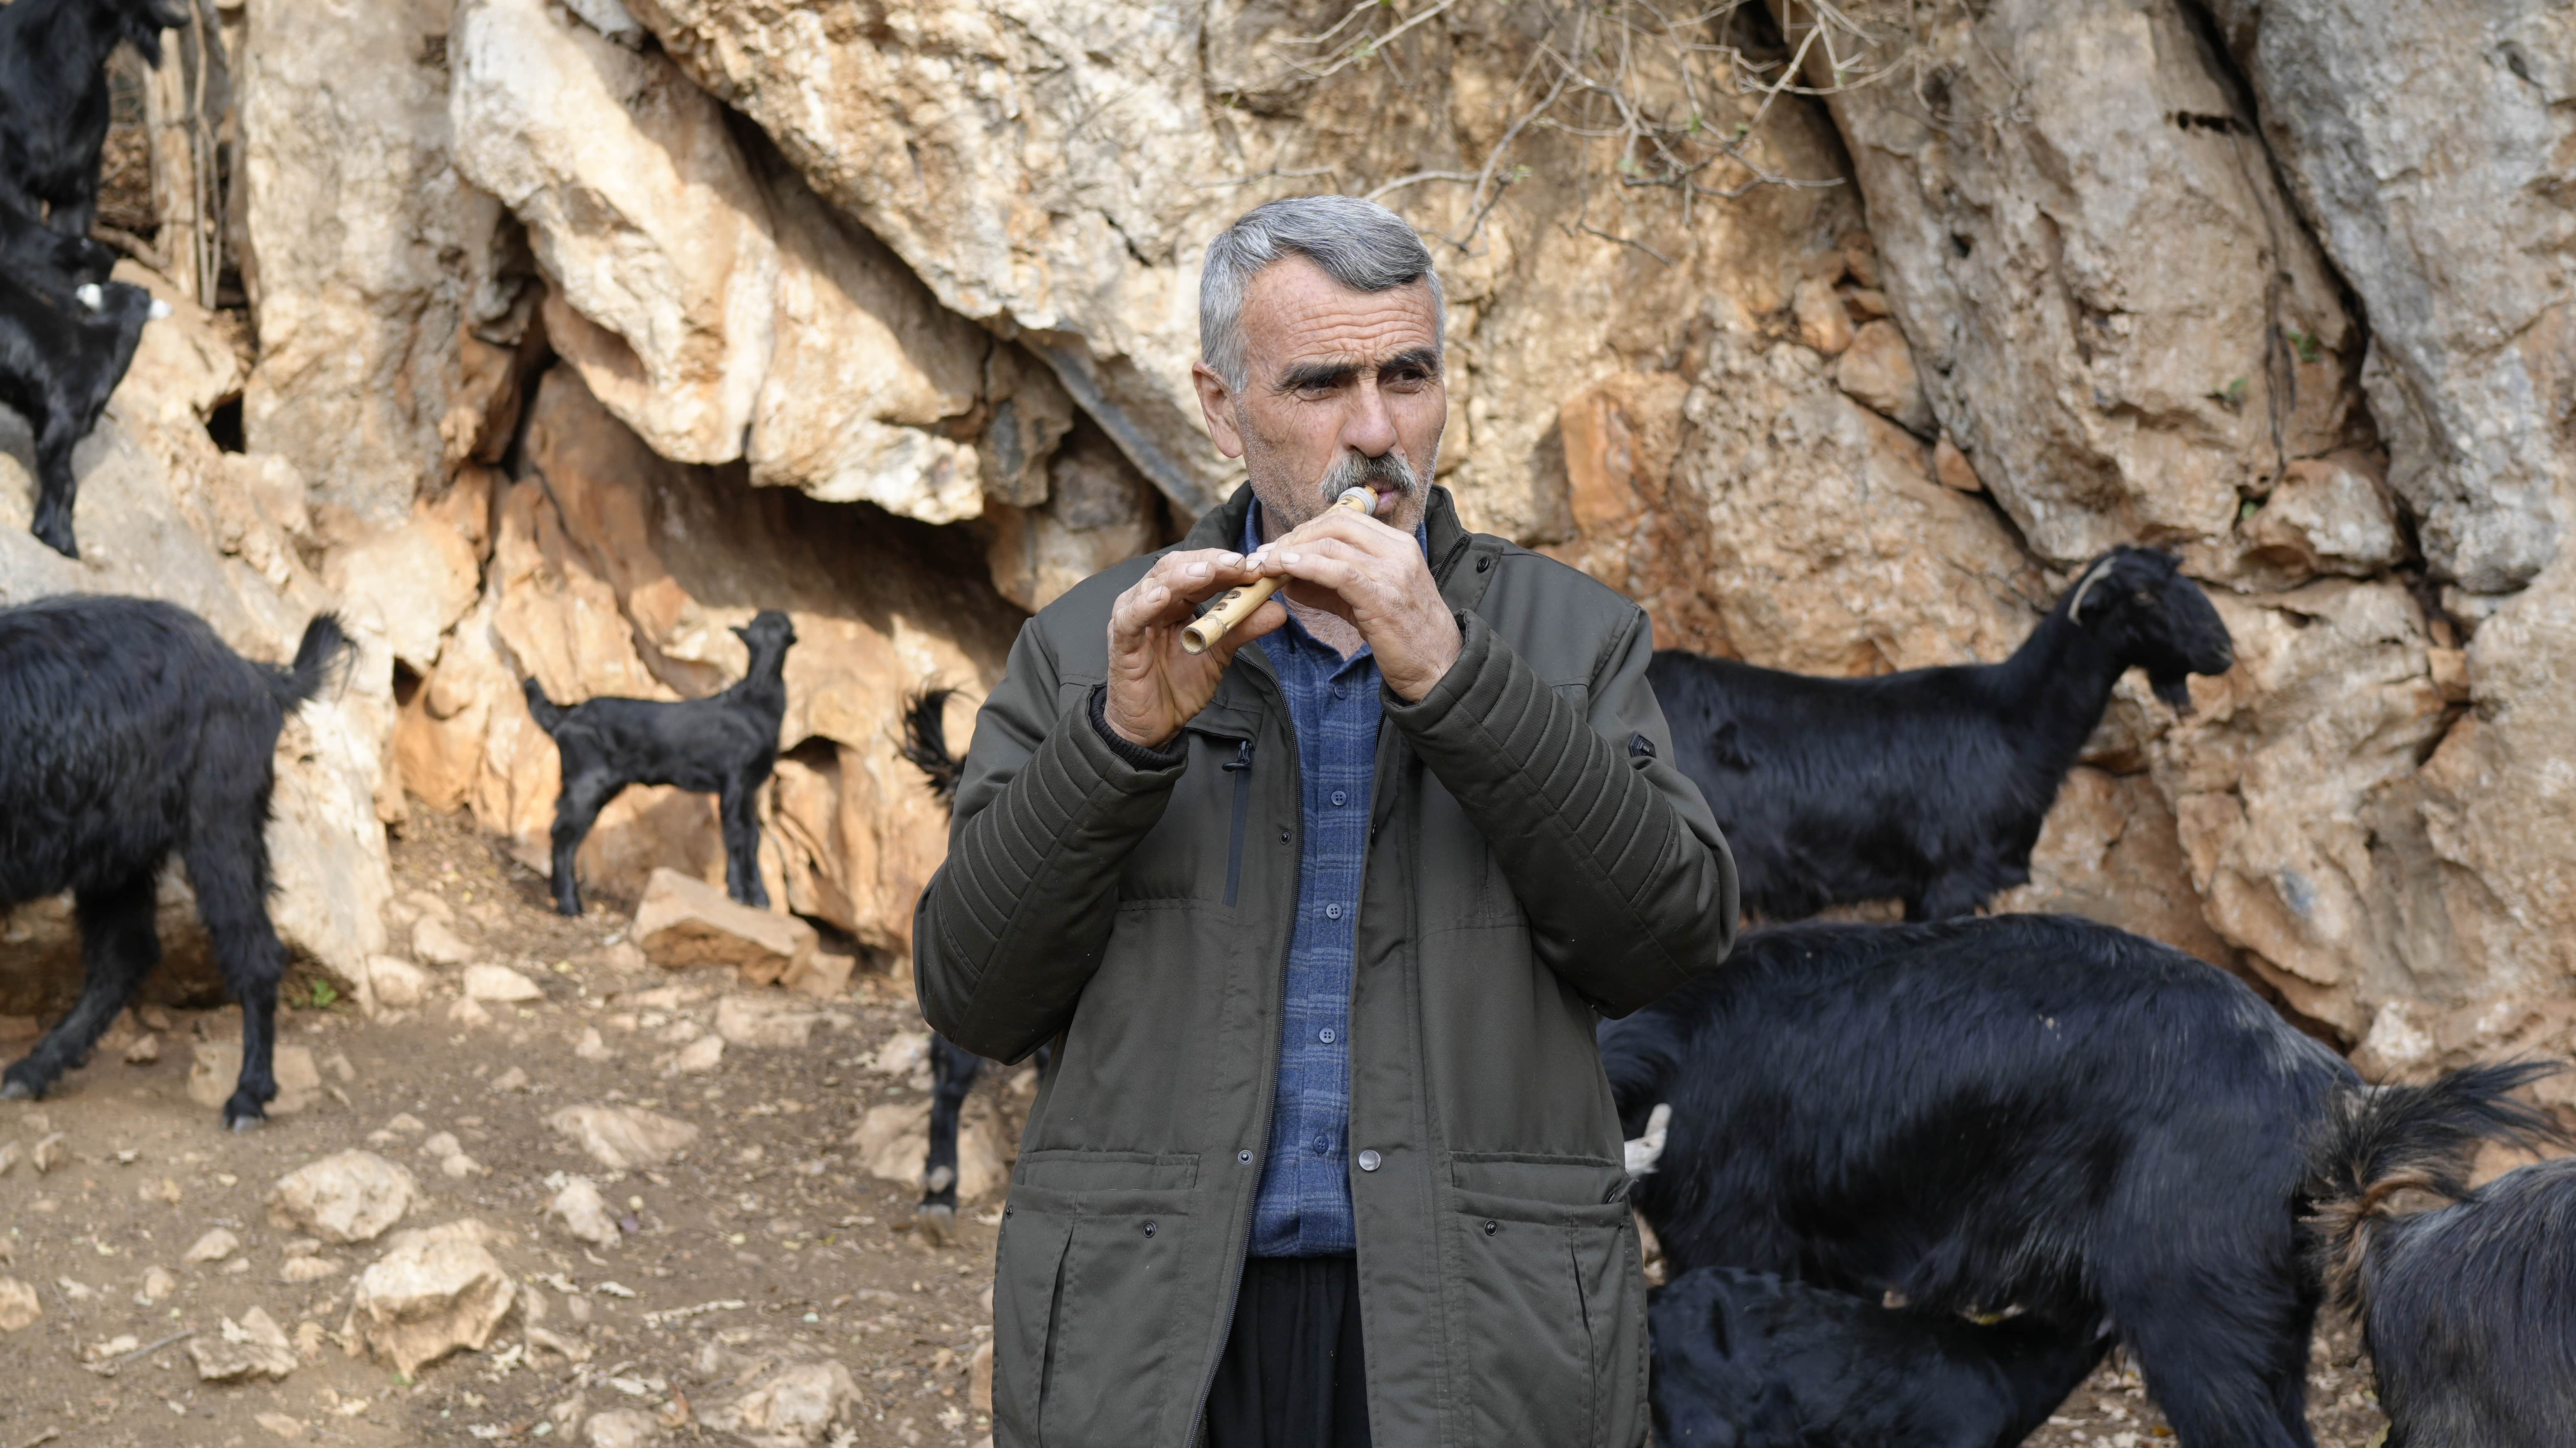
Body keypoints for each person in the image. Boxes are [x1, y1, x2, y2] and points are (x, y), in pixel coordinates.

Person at [914, 194, 1739, 1448]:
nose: (1377, 432)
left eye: (1408, 375)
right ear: (1221, 405)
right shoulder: (1089, 649)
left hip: (1481, 1328)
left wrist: (1455, 677)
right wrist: (1119, 744)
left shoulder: (1573, 638)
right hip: (1156, 1335)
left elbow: (1670, 945)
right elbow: (973, 995)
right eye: (1320, 384)